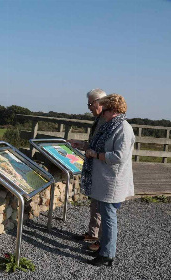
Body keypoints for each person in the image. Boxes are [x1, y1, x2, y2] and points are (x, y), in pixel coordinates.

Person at [80, 94, 135, 266]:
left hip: (113, 181)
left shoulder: (123, 129)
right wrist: (85, 147)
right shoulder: (111, 126)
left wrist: (96, 155)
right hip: (106, 180)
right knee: (106, 215)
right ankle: (104, 251)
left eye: (105, 109)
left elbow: (119, 156)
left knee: (109, 218)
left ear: (113, 110)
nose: (101, 112)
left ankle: (107, 255)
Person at [69, 88, 107, 251]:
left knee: (103, 207)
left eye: (90, 104)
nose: (89, 107)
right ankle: (93, 233)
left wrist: (92, 151)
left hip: (104, 170)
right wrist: (83, 145)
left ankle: (102, 241)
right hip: (96, 167)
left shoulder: (107, 121)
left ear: (99, 103)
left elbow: (107, 149)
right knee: (95, 204)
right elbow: (94, 144)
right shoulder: (99, 120)